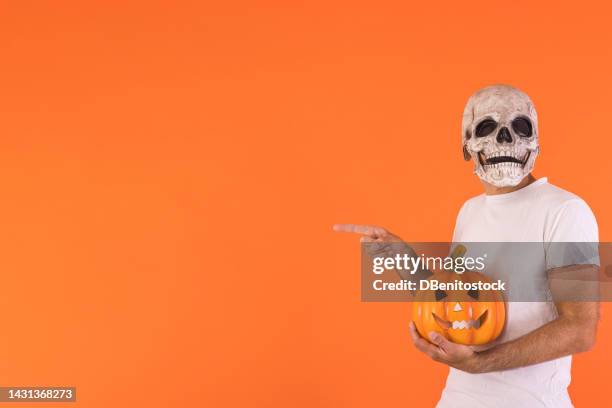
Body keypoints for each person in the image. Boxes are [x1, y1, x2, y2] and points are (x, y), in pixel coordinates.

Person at [334, 84, 599, 407]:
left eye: (520, 128)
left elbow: (580, 329)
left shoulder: (565, 211)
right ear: (466, 146)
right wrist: (404, 260)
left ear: (536, 143)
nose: (506, 139)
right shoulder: (470, 211)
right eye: (488, 127)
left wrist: (481, 364)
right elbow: (455, 299)